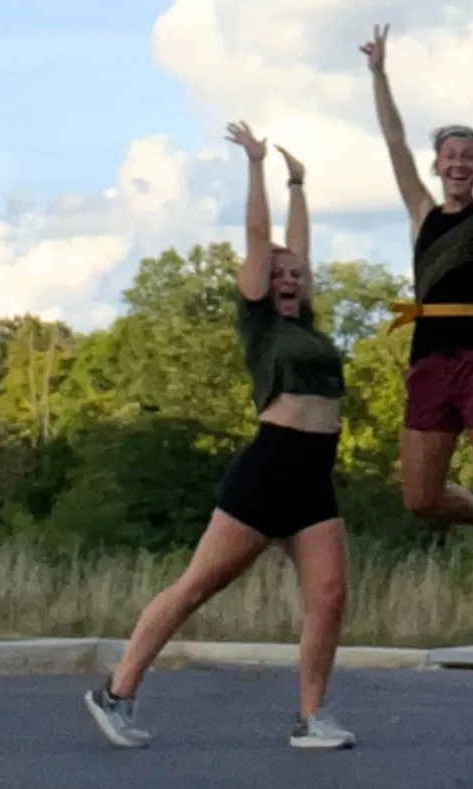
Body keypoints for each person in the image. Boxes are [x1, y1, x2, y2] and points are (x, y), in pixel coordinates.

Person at [82, 122, 356, 751]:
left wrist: (299, 182)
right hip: (270, 468)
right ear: (262, 283)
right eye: (278, 274)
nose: (289, 277)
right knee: (197, 586)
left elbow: (299, 247)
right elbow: (262, 240)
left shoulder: (309, 328)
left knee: (330, 596)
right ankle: (116, 693)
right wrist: (258, 167)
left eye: (297, 275)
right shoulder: (260, 325)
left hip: (314, 475)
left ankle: (311, 718)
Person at [360, 15, 473, 680]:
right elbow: (393, 139)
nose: (459, 163)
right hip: (429, 360)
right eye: (450, 156)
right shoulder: (420, 213)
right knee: (422, 499)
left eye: (470, 156)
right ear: (439, 166)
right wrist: (378, 73)